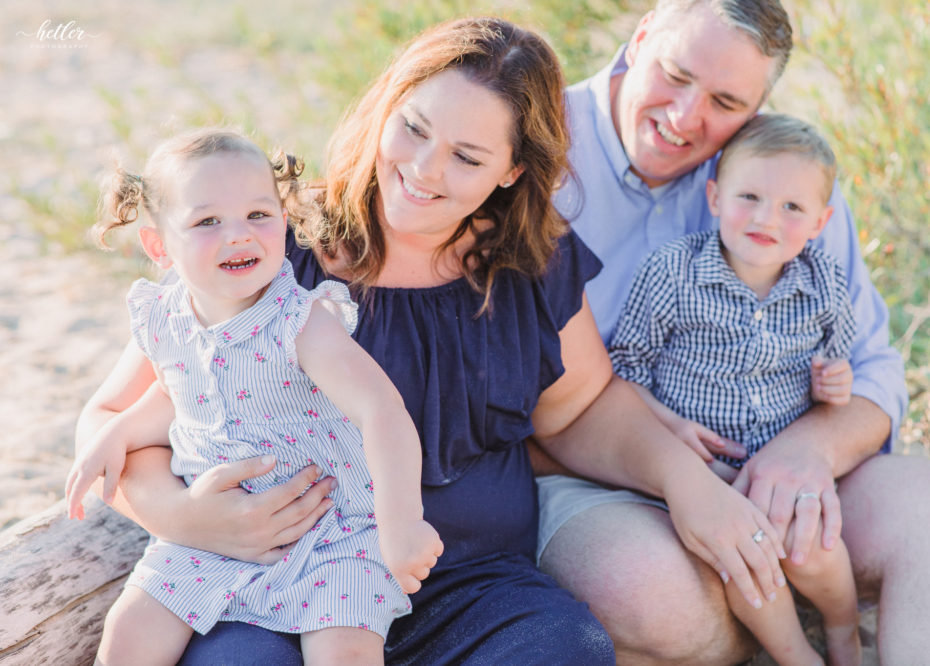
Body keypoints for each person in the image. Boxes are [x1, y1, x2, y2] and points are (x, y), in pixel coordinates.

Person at [74, 18, 791, 664]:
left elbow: (581, 407)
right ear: (386, 106)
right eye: (413, 129)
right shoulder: (267, 243)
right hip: (270, 577)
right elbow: (117, 416)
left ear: (511, 171)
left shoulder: (528, 260)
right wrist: (180, 516)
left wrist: (683, 480)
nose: (422, 170)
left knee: (565, 650)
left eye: (466, 157)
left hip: (465, 583)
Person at [536, 0, 930, 663]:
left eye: (726, 101)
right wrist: (677, 475)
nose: (684, 118)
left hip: (769, 454)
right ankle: (787, 631)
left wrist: (809, 451)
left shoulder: (782, 173)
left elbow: (873, 368)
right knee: (652, 592)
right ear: (640, 35)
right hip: (593, 475)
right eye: (674, 75)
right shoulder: (533, 145)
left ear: (760, 104)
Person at [64, 129, 444, 664]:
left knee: (346, 652)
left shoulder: (300, 322)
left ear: (283, 222)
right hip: (212, 534)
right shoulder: (164, 317)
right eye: (207, 221)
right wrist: (115, 434)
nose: (238, 235)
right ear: (159, 246)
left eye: (258, 215)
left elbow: (381, 410)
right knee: (128, 634)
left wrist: (402, 519)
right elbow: (176, 397)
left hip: (330, 535)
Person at [610, 113, 861, 666]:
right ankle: (795, 652)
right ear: (715, 197)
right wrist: (667, 427)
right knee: (745, 555)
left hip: (780, 458)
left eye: (792, 207)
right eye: (750, 196)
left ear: (819, 222)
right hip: (700, 467)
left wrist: (833, 385)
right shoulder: (672, 273)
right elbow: (624, 368)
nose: (767, 218)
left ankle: (844, 630)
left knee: (813, 544)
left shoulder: (823, 282)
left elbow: (840, 364)